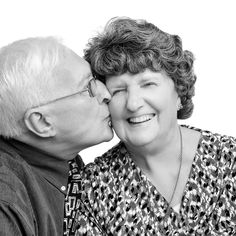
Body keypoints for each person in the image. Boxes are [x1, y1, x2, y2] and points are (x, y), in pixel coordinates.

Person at [64, 17, 236, 235]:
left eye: (148, 84)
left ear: (180, 91)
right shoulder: (91, 191)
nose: (133, 103)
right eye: (118, 90)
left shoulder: (230, 159)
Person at [0, 37, 113, 236]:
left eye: (95, 79)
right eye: (88, 87)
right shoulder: (6, 203)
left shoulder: (64, 161)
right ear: (41, 123)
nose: (106, 93)